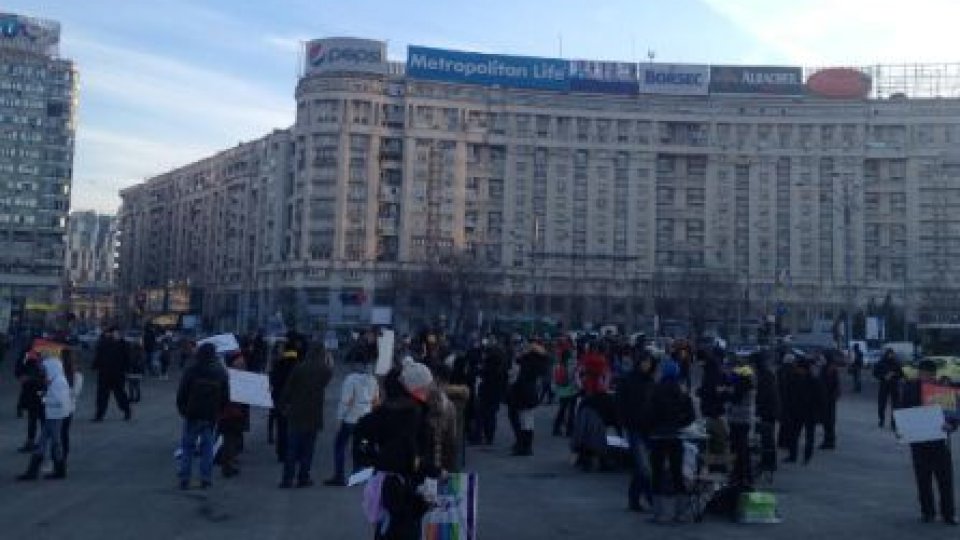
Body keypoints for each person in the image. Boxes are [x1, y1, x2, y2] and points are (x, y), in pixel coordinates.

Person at [364, 368, 436, 540]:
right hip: (401, 483)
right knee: (400, 524)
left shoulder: (397, 409)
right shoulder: (410, 414)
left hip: (396, 481)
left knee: (389, 524)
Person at [897, 359, 957, 525]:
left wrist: (950, 425)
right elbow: (901, 411)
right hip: (919, 442)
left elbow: (953, 416)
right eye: (922, 374)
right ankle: (928, 512)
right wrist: (901, 428)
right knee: (923, 480)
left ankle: (949, 514)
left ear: (934, 374)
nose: (925, 377)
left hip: (939, 442)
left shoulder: (942, 390)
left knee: (945, 480)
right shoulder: (909, 389)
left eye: (928, 375)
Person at [645, 359, 696, 523]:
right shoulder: (681, 390)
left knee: (657, 474)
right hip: (676, 436)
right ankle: (681, 513)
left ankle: (659, 514)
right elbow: (691, 416)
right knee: (677, 474)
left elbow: (649, 414)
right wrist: (678, 424)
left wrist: (654, 427)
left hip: (658, 436)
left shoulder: (655, 389)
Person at [278, 344, 333, 488]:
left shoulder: (299, 368)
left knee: (292, 448)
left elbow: (288, 388)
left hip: (296, 413)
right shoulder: (324, 370)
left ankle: (287, 479)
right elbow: (327, 378)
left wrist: (282, 405)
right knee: (308, 449)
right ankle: (303, 478)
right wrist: (328, 360)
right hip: (314, 414)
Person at [176, 343, 228, 490]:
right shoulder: (220, 372)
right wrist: (219, 412)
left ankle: (184, 478)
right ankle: (206, 478)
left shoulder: (192, 370)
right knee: (207, 449)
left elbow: (182, 392)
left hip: (192, 414)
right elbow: (226, 396)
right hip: (210, 416)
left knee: (187, 447)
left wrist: (183, 410)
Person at [324, 355, 379, 486]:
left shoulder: (351, 379)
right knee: (360, 447)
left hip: (350, 419)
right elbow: (375, 400)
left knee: (340, 445)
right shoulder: (373, 380)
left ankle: (339, 475)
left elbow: (346, 401)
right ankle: (357, 476)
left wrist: (340, 417)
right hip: (365, 419)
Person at [17, 356, 73, 480]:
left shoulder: (58, 382)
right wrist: (42, 395)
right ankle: (56, 469)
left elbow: (58, 401)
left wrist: (44, 399)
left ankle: (38, 470)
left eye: (44, 369)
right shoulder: (56, 380)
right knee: (47, 441)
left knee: (51, 441)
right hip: (53, 415)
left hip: (54, 415)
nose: (43, 371)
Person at [618, 350, 657, 512]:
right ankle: (651, 498)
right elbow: (620, 404)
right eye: (644, 361)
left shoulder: (651, 381)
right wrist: (623, 423)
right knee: (644, 468)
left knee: (642, 467)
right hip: (634, 428)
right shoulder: (628, 380)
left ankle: (634, 500)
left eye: (649, 362)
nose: (647, 365)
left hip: (650, 428)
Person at [507, 339, 549, 457]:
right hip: (530, 393)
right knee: (528, 420)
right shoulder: (539, 363)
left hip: (522, 393)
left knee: (521, 420)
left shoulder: (525, 361)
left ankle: (523, 446)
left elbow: (514, 377)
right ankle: (526, 446)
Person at [782, 357, 824, 465]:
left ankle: (806, 457)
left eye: (798, 367)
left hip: (809, 412)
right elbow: (788, 396)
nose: (796, 369)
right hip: (797, 412)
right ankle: (793, 456)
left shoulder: (813, 381)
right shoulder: (794, 379)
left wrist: (818, 413)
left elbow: (819, 398)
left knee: (809, 437)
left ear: (803, 369)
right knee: (794, 435)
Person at [218, 352, 250, 478]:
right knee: (229, 440)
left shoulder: (235, 375)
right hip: (230, 413)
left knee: (232, 439)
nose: (243, 363)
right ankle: (227, 467)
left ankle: (229, 464)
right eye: (240, 361)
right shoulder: (229, 376)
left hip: (234, 413)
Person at [92, 327, 132, 422]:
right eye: (110, 333)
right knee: (102, 396)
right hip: (104, 374)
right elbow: (99, 356)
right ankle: (99, 415)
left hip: (117, 374)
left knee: (120, 394)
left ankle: (127, 411)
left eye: (114, 333)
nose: (111, 335)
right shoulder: (103, 343)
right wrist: (95, 366)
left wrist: (127, 370)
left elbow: (128, 358)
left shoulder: (123, 344)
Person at [473, 336, 506, 445]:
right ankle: (489, 436)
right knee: (491, 416)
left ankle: (478, 436)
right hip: (495, 394)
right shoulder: (500, 367)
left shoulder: (488, 367)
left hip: (486, 393)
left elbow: (481, 374)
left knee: (480, 415)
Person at [727, 363, 756, 488]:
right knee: (743, 449)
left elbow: (734, 398)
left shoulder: (741, 387)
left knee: (739, 449)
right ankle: (744, 474)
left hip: (738, 421)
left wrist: (727, 391)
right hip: (745, 421)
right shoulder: (748, 386)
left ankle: (740, 474)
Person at [270, 343, 300, 462]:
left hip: (280, 401)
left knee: (281, 428)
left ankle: (281, 453)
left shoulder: (278, 366)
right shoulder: (298, 368)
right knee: (293, 429)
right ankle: (291, 452)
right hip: (294, 402)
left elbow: (273, 382)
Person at [753, 350, 780, 479]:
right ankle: (768, 461)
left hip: (768, 410)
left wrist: (758, 406)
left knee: (767, 437)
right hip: (769, 409)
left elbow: (764, 394)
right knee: (766, 437)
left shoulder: (765, 375)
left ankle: (769, 462)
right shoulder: (766, 373)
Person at [14, 349, 44, 453]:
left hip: (38, 391)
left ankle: (38, 442)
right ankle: (36, 442)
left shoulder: (34, 353)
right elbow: (19, 368)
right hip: (35, 391)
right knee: (35, 418)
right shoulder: (31, 354)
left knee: (37, 418)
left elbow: (19, 369)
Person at [60, 348, 82, 467]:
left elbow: (74, 393)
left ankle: (61, 457)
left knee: (60, 433)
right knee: (63, 433)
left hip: (62, 407)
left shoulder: (73, 375)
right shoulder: (76, 375)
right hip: (67, 408)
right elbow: (75, 393)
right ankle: (62, 456)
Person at [874, 348, 904, 429]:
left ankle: (893, 422)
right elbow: (875, 373)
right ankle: (881, 419)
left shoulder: (896, 363)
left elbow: (901, 374)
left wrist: (894, 375)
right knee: (881, 404)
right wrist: (883, 377)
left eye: (892, 354)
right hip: (884, 385)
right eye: (890, 354)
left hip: (894, 385)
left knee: (895, 405)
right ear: (886, 354)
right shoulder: (881, 363)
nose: (891, 355)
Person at [552, 346, 577, 437]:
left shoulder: (558, 365)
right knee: (571, 411)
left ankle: (556, 428)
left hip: (562, 390)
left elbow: (556, 379)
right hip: (571, 390)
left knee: (562, 410)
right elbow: (572, 378)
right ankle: (569, 431)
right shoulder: (570, 365)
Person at [819, 352, 842, 450]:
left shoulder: (831, 369)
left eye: (822, 358)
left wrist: (833, 397)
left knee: (829, 421)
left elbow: (836, 385)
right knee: (826, 421)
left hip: (829, 399)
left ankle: (829, 441)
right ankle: (827, 440)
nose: (821, 360)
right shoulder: (825, 368)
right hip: (825, 398)